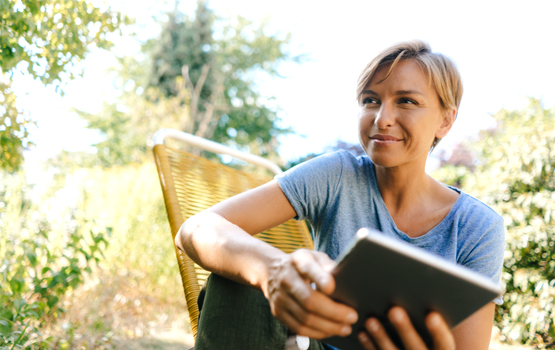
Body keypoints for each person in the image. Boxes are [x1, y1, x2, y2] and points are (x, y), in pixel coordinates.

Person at [175, 40, 505, 350]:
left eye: (406, 101)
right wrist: (271, 270)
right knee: (235, 279)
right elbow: (196, 229)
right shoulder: (337, 175)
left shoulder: (477, 227)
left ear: (445, 121)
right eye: (370, 100)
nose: (382, 118)